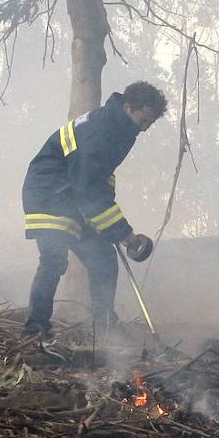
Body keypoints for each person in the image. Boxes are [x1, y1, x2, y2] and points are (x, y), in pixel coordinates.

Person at [21, 81, 166, 338]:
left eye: (150, 124)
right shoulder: (100, 132)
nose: (144, 128)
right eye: (143, 120)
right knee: (54, 259)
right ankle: (35, 330)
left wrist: (114, 229)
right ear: (129, 107)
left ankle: (104, 326)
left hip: (73, 197)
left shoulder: (118, 129)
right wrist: (125, 234)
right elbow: (89, 189)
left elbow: (99, 182)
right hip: (49, 193)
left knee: (103, 258)